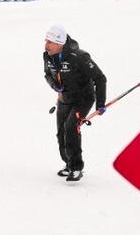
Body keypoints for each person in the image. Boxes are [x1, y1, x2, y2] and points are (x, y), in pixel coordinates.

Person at [43, 24, 106, 182]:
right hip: (64, 98)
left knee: (71, 129)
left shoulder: (79, 57)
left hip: (83, 99)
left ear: (59, 44)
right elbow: (47, 74)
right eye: (46, 41)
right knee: (61, 132)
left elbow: (100, 78)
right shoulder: (47, 56)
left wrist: (100, 103)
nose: (46, 45)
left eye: (50, 42)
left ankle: (77, 167)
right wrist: (54, 84)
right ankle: (69, 163)